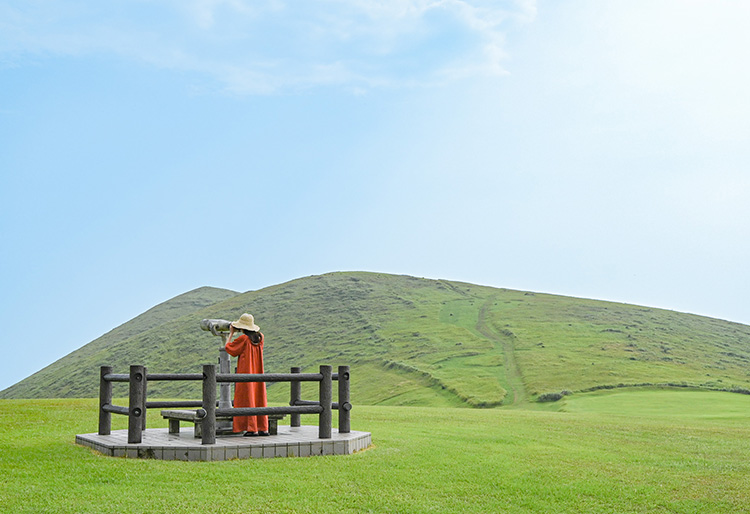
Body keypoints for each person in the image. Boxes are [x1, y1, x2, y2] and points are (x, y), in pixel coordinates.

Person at [225, 313, 269, 436]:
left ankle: (251, 428)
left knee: (246, 398)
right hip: (258, 373)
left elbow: (229, 349)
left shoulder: (243, 339)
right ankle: (262, 427)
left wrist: (231, 333)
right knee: (258, 397)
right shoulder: (261, 337)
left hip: (245, 372)